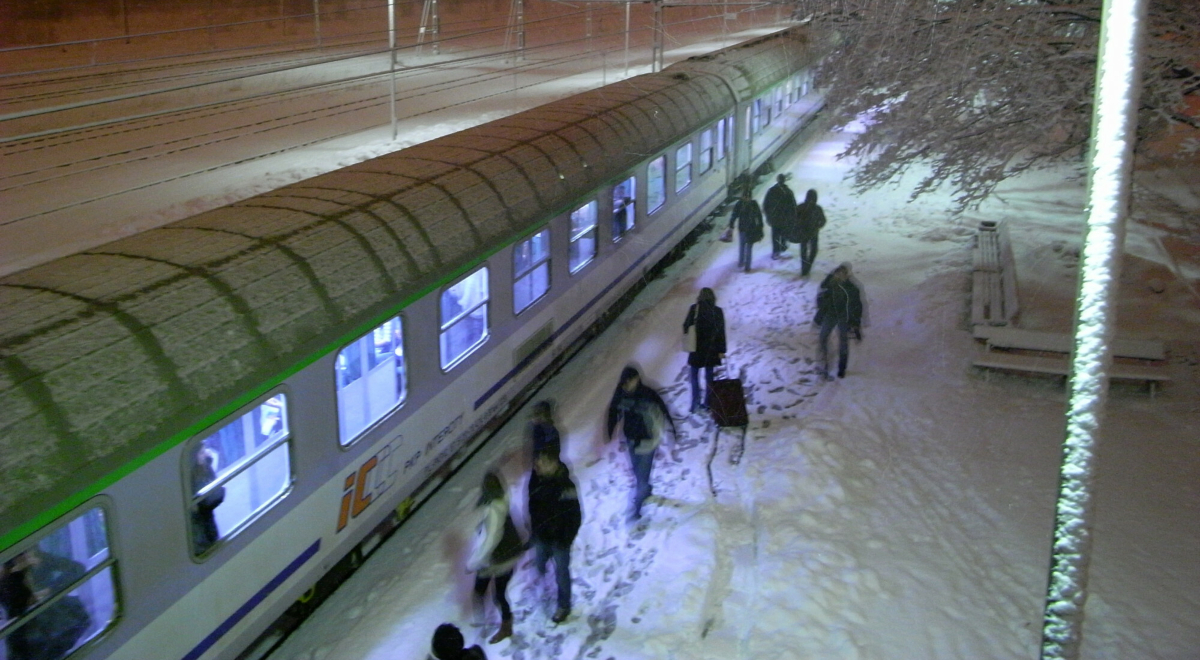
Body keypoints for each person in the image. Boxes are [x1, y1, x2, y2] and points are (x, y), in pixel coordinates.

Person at [606, 367, 678, 521]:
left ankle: (637, 509)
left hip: (648, 442)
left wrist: (673, 430)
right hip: (631, 440)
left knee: (641, 478)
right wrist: (610, 431)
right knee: (638, 473)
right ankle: (647, 490)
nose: (627, 385)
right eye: (624, 382)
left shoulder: (647, 394)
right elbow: (613, 411)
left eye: (629, 381)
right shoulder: (621, 393)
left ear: (637, 379)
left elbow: (664, 410)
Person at [466, 471, 524, 644]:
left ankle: (499, 626)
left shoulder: (493, 510)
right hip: (508, 553)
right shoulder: (502, 501)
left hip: (499, 558)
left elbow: (491, 539)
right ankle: (492, 623)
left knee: (491, 593)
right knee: (494, 592)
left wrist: (473, 563)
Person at [526, 450, 582, 624]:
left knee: (562, 573)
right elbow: (532, 507)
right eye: (537, 462)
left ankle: (564, 605)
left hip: (559, 540)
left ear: (554, 464)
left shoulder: (566, 486)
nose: (538, 466)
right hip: (542, 536)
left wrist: (565, 539)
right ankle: (544, 583)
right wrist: (536, 530)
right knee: (540, 563)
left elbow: (575, 516)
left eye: (543, 463)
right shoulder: (536, 480)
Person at [813, 263, 863, 380]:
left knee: (843, 342)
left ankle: (842, 368)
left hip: (844, 317)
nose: (840, 276)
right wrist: (820, 314)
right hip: (830, 314)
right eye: (838, 273)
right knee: (823, 338)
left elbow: (857, 307)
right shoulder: (828, 284)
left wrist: (856, 324)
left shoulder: (852, 289)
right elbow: (820, 299)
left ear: (847, 275)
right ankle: (824, 364)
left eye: (843, 274)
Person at [682, 288, 727, 413]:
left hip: (696, 349)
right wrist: (721, 350)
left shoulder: (694, 309)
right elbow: (721, 333)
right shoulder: (717, 311)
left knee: (694, 377)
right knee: (709, 377)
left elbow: (686, 326)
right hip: (711, 350)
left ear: (700, 297)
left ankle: (695, 403)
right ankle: (707, 403)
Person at [190, 444, 225, 555]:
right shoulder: (191, 476)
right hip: (199, 526)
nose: (205, 454)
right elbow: (205, 501)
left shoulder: (204, 467)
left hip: (208, 521)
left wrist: (209, 461)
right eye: (201, 452)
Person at [728, 188, 764, 273]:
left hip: (744, 228)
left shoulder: (740, 204)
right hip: (750, 229)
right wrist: (760, 226)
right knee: (748, 247)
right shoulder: (753, 204)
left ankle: (742, 263)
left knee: (743, 246)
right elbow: (759, 216)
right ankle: (747, 266)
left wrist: (731, 225)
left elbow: (734, 215)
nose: (747, 198)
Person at [762, 173, 797, 260]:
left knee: (775, 235)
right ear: (784, 180)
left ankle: (776, 251)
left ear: (777, 180)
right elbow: (793, 206)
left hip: (775, 218)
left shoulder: (771, 191)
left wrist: (768, 216)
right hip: (784, 218)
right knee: (784, 234)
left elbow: (765, 205)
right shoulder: (788, 192)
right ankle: (782, 247)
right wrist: (792, 217)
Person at [795, 188, 827, 276]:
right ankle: (808, 265)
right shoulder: (817, 208)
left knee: (804, 251)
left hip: (803, 233)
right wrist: (817, 226)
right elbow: (823, 221)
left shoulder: (800, 207)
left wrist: (798, 227)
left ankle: (804, 268)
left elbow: (794, 219)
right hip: (813, 233)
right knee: (813, 250)